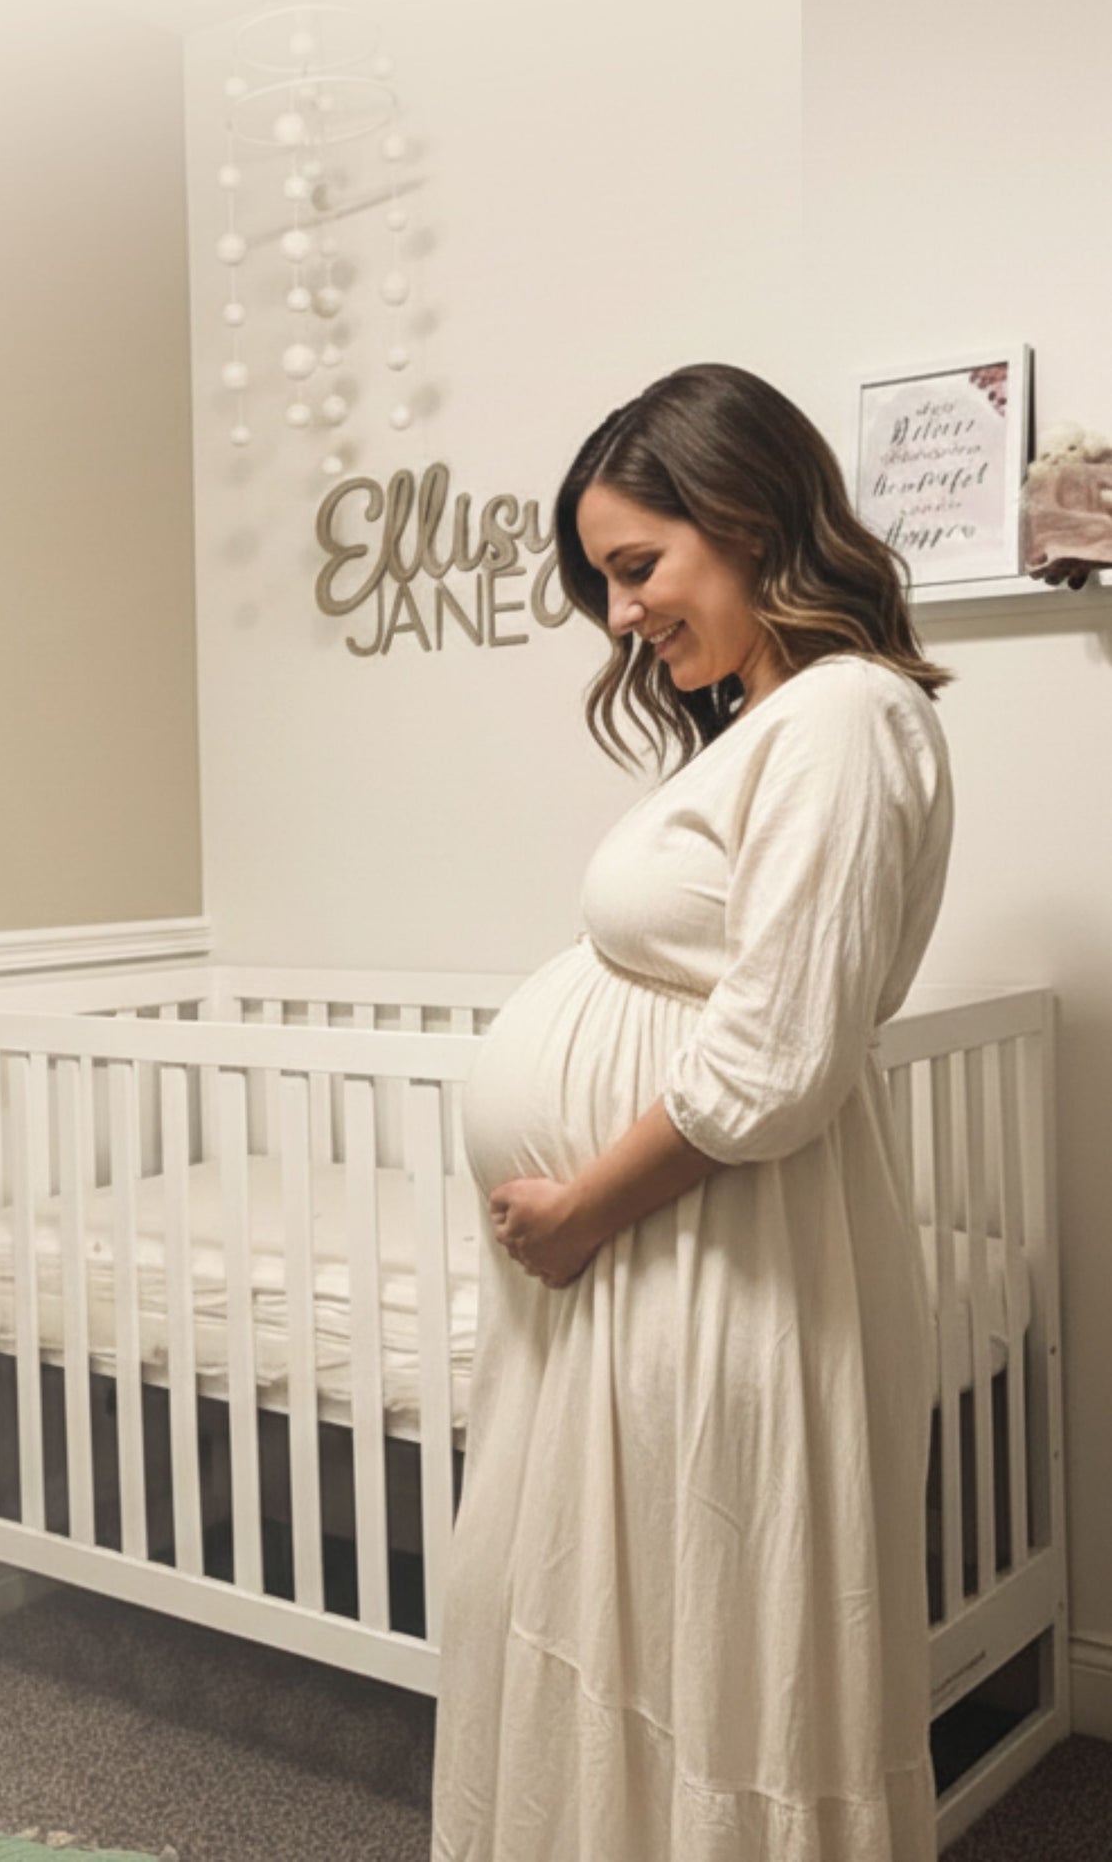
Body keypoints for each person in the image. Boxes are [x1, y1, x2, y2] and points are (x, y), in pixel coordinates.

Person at [430, 363, 955, 1862]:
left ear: (744, 517)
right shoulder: (769, 723)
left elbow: (776, 1056)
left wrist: (580, 1210)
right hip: (668, 1252)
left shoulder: (844, 716)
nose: (619, 616)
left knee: (710, 1643)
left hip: (715, 1248)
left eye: (636, 566)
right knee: (636, 1619)